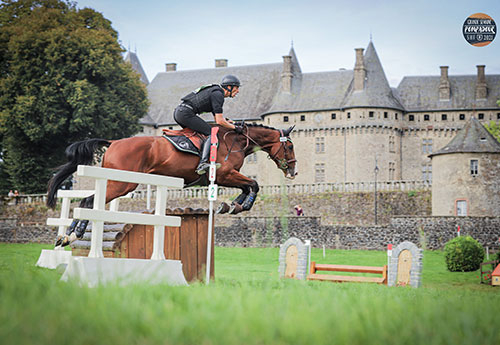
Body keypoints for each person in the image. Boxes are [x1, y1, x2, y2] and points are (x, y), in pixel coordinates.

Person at [173, 75, 244, 175]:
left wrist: (228, 123)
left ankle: (194, 158)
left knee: (200, 134)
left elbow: (218, 119)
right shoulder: (218, 94)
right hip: (185, 113)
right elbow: (219, 121)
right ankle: (203, 163)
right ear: (229, 87)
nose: (238, 91)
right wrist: (235, 128)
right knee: (211, 133)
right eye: (236, 88)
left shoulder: (216, 92)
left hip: (180, 112)